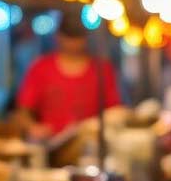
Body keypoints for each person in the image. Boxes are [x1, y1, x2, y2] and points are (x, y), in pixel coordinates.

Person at [16, 12, 122, 140]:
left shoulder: (102, 69)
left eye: (77, 37)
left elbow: (115, 111)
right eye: (69, 37)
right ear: (58, 36)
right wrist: (33, 127)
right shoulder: (41, 68)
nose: (73, 43)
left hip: (91, 144)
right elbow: (23, 112)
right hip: (51, 145)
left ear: (85, 37)